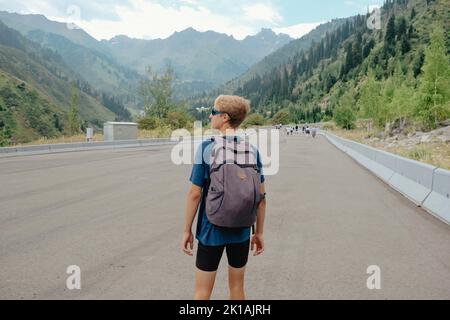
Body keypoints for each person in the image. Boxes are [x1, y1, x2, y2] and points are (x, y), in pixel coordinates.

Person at [182, 95, 267, 300]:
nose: (210, 115)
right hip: (241, 230)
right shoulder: (252, 150)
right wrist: (259, 233)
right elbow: (261, 198)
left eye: (214, 112)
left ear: (225, 117)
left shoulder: (207, 148)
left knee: (202, 292)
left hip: (212, 228)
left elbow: (195, 194)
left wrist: (187, 230)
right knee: (237, 288)